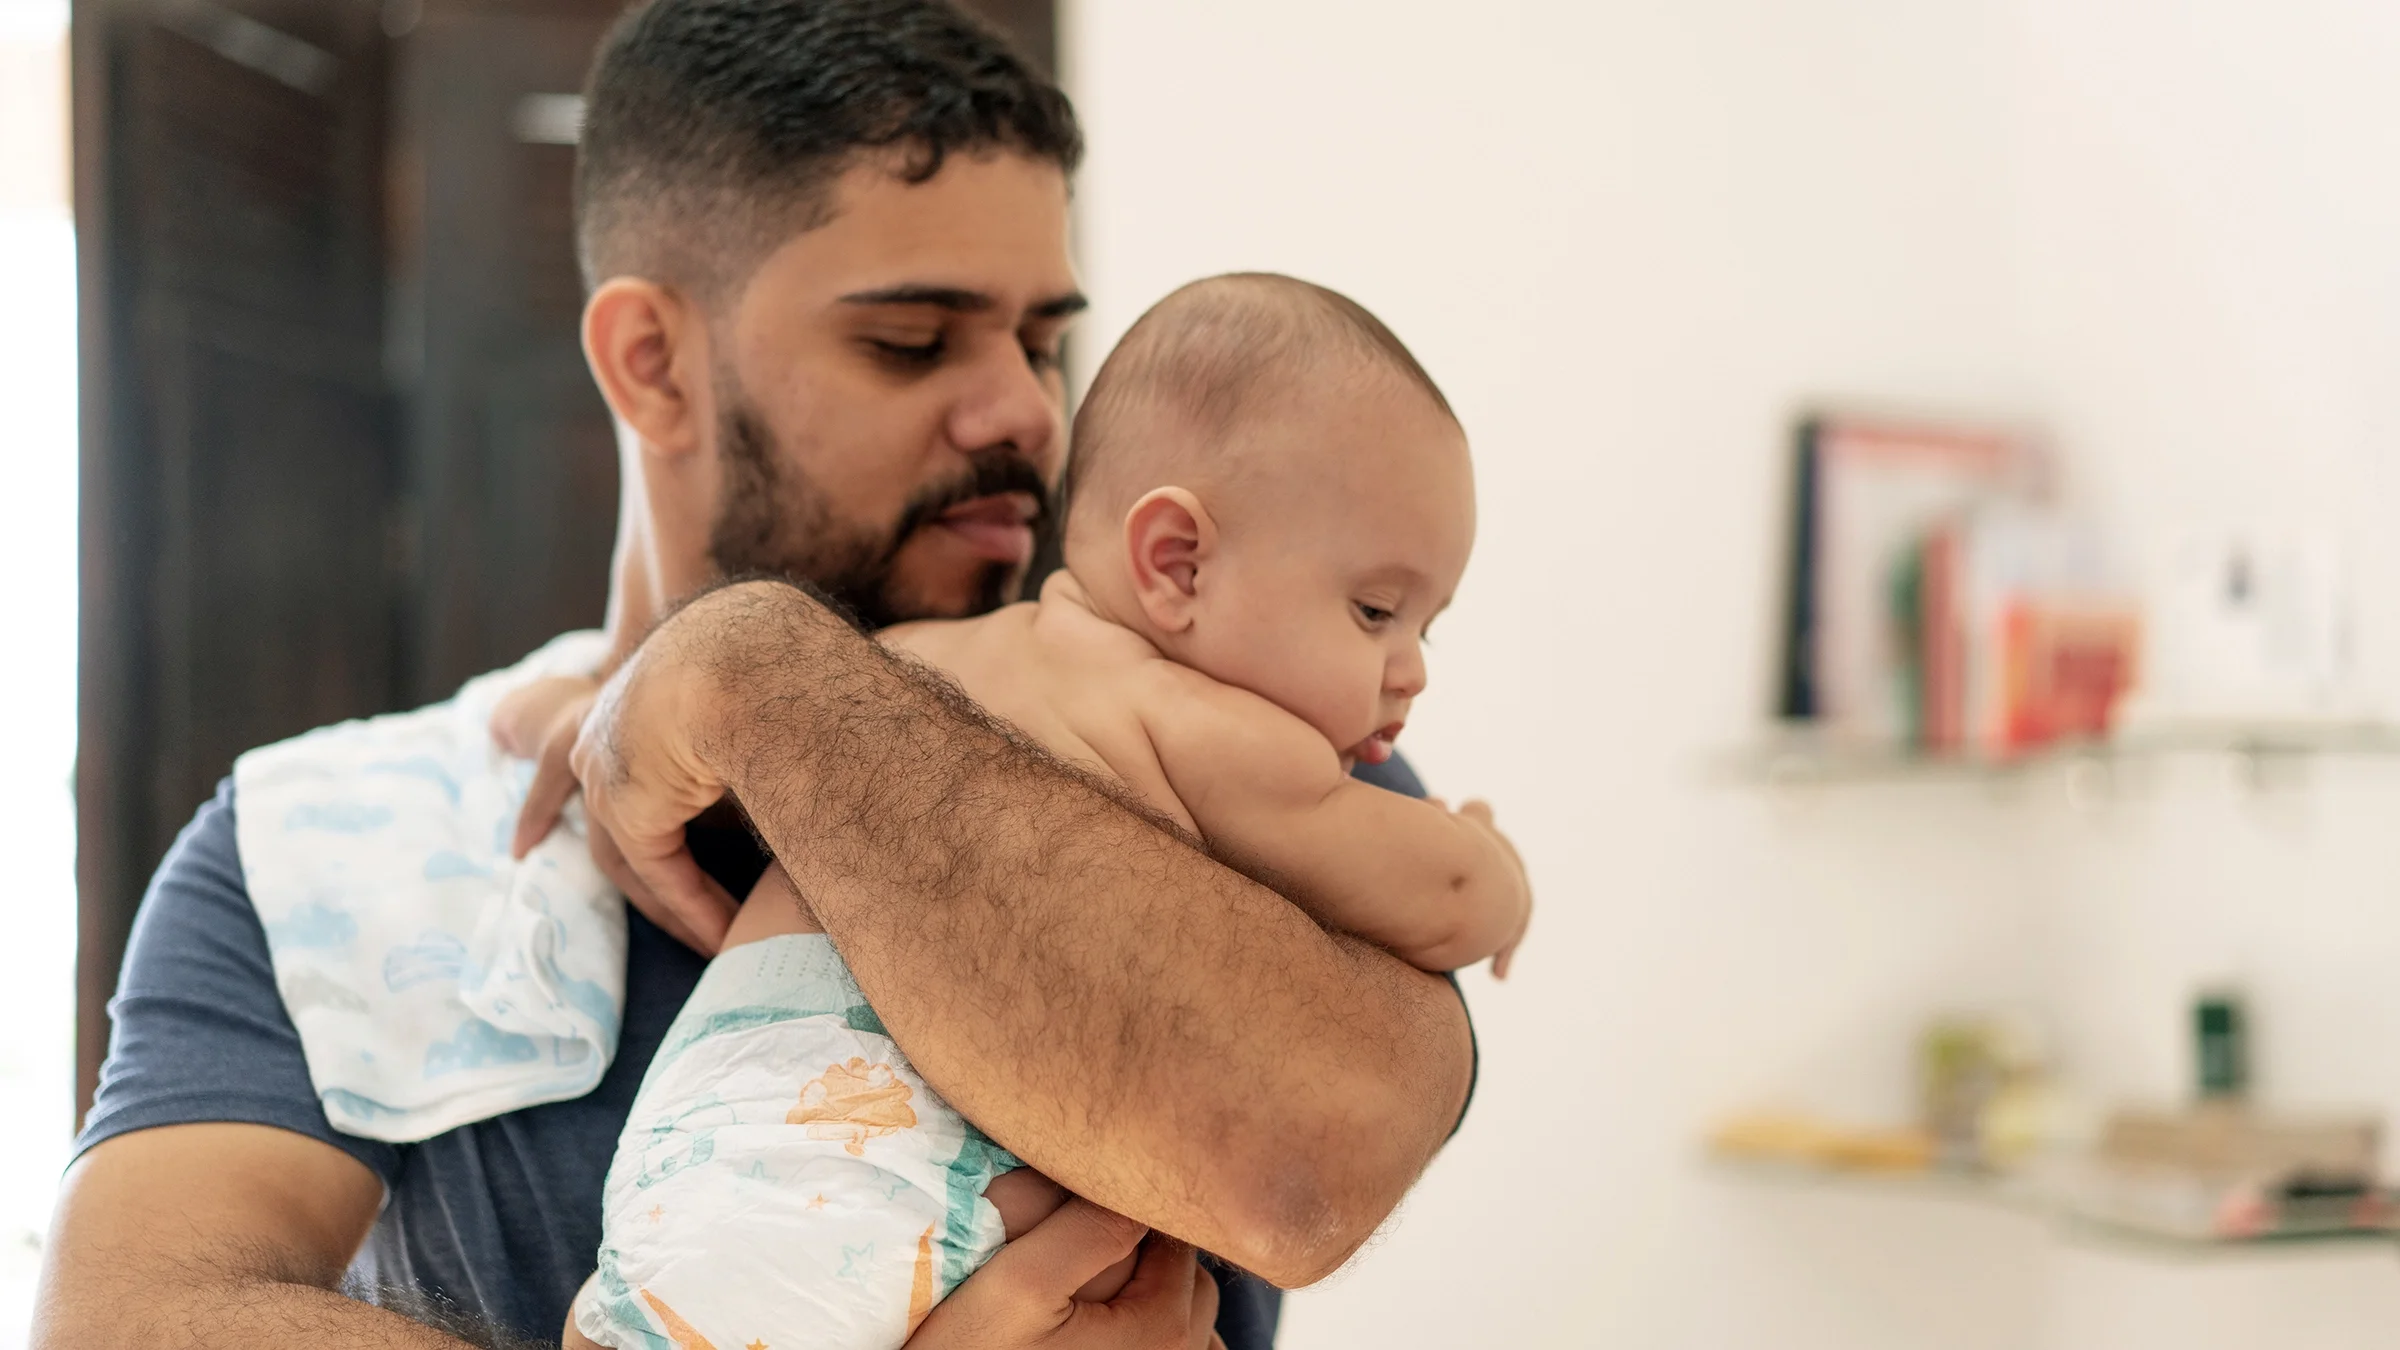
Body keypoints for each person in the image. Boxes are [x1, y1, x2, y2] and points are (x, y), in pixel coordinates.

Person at [33, 3, 1476, 1348]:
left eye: (1043, 339)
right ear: (653, 361)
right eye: (911, 340)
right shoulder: (316, 843)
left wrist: (759, 675)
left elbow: (1304, 1165)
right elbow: (127, 1320)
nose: (1029, 411)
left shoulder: (1227, 738)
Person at [528, 273, 1529, 1350]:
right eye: (1378, 612)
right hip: (887, 1174)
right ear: (1176, 561)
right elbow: (1449, 901)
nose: (1410, 669)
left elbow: (676, 746)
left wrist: (576, 698)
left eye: (1429, 624)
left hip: (694, 1148)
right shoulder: (1218, 735)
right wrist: (1490, 861)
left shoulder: (883, 672)